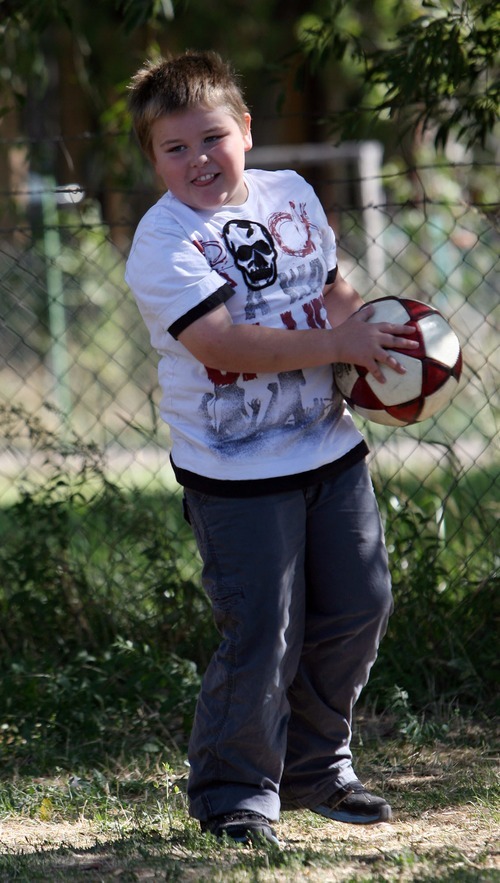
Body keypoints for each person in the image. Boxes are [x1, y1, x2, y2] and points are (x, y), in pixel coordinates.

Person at [125, 50, 418, 847]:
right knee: (263, 630)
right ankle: (233, 793)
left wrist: (372, 352)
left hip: (330, 447)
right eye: (174, 149)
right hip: (234, 470)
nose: (198, 160)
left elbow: (331, 289)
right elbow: (225, 344)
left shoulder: (293, 194)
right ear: (153, 160)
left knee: (361, 603)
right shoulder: (162, 242)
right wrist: (336, 340)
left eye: (211, 137)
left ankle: (317, 767)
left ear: (246, 131)